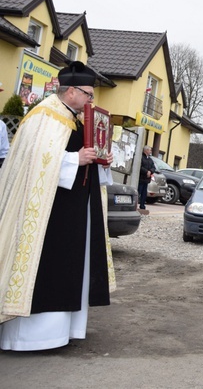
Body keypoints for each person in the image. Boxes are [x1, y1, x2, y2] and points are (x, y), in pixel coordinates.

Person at [0, 61, 116, 351]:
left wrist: (101, 160)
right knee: (46, 268)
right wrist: (74, 160)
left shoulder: (75, 119)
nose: (91, 100)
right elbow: (34, 161)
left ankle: (62, 332)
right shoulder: (43, 117)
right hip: (44, 215)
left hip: (72, 210)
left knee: (70, 266)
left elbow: (84, 160)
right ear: (72, 91)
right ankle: (27, 339)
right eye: (88, 94)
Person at [138, 145, 155, 213]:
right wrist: (146, 172)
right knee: (138, 191)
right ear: (146, 150)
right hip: (141, 178)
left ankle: (142, 205)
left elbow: (153, 167)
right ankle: (135, 204)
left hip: (146, 180)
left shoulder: (150, 159)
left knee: (144, 193)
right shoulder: (141, 158)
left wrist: (150, 171)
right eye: (149, 150)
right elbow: (140, 166)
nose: (150, 151)